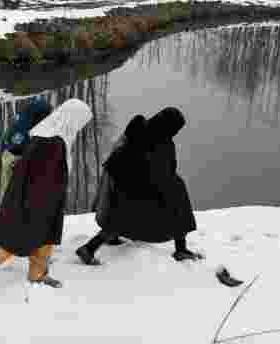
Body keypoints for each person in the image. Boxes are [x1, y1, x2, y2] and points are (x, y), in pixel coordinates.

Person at [0, 98, 93, 288]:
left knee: (44, 240)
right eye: (80, 121)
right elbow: (41, 179)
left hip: (38, 199)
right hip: (34, 202)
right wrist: (41, 206)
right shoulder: (53, 142)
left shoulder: (48, 134)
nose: (80, 126)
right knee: (15, 242)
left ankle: (37, 274)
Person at [76, 107, 202, 266]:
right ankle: (181, 249)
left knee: (121, 218)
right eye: (176, 129)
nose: (175, 133)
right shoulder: (160, 142)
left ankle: (91, 247)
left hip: (124, 181)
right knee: (177, 204)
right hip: (138, 186)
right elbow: (163, 172)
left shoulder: (142, 129)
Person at [0, 96, 54, 249]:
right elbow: (16, 145)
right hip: (14, 162)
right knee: (11, 202)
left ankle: (12, 238)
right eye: (45, 115)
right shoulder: (25, 125)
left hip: (17, 162)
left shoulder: (28, 119)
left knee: (17, 204)